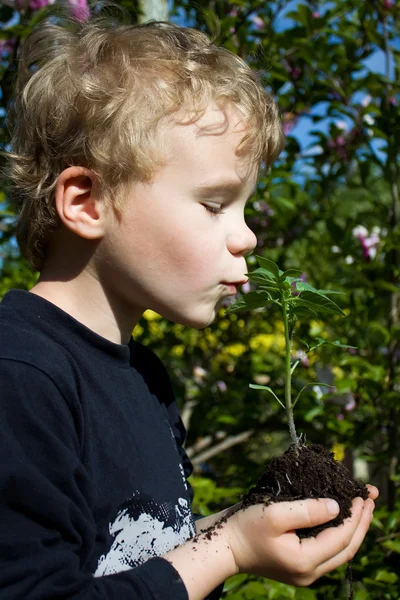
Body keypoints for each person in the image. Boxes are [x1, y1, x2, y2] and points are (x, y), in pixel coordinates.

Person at [0, 11, 378, 600]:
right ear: (86, 200)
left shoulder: (145, 377)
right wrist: (227, 549)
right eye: (214, 204)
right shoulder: (21, 374)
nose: (248, 236)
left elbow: (133, 553)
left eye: (245, 207)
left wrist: (243, 533)